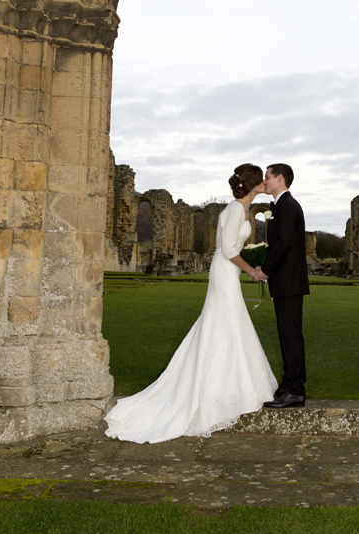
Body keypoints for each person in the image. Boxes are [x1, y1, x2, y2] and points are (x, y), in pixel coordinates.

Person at [104, 164, 277, 443]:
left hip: (228, 269)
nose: (265, 183)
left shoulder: (242, 210)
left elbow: (233, 246)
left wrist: (254, 259)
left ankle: (230, 384)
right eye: (262, 179)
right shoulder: (234, 210)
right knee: (226, 321)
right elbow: (228, 249)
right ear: (254, 184)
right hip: (225, 271)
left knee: (227, 323)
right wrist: (252, 269)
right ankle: (215, 390)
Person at [253, 164, 309, 408]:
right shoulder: (281, 206)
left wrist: (265, 269)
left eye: (267, 177)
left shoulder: (287, 205)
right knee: (286, 335)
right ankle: (288, 384)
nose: (264, 181)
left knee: (291, 336)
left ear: (280, 178)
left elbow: (284, 243)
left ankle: (295, 389)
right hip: (286, 282)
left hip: (289, 282)